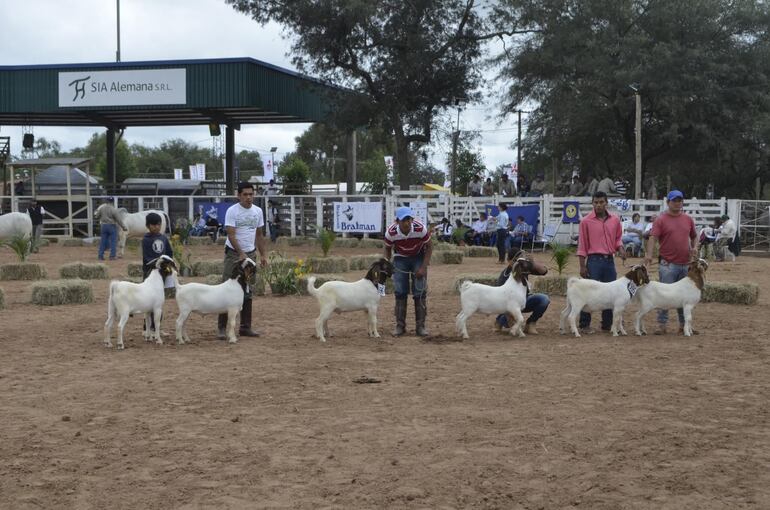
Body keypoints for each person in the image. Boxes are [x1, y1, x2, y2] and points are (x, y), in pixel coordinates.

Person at [217, 182, 268, 339]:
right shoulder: (232, 211)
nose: (248, 197)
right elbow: (231, 234)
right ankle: (222, 328)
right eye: (245, 194)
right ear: (238, 195)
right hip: (234, 254)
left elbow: (259, 235)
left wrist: (263, 255)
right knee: (226, 287)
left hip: (250, 254)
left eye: (251, 194)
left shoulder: (258, 211)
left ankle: (245, 327)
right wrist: (240, 253)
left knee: (248, 289)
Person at [644, 190, 698, 335]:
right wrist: (649, 255)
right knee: (664, 295)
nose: (677, 203)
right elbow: (653, 238)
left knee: (684, 297)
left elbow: (694, 236)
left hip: (685, 264)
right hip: (668, 264)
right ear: (668, 202)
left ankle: (684, 325)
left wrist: (695, 247)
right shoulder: (661, 220)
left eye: (680, 200)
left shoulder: (688, 219)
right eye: (674, 200)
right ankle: (662, 325)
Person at [576, 191, 625, 333]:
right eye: (596, 202)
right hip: (593, 261)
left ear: (606, 203)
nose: (598, 205)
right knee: (589, 293)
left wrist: (621, 248)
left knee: (611, 293)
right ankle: (584, 325)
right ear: (592, 203)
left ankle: (608, 325)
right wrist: (582, 266)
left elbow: (618, 239)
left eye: (601, 202)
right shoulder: (585, 221)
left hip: (610, 261)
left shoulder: (615, 220)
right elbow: (582, 245)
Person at [384, 206, 433, 337]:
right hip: (400, 258)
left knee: (420, 290)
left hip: (418, 257)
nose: (407, 223)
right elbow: (388, 248)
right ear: (397, 221)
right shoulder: (391, 232)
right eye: (403, 220)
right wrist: (387, 263)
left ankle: (420, 326)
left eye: (409, 219)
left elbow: (429, 246)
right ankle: (400, 326)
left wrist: (423, 267)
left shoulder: (420, 228)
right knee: (400, 291)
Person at [494, 247, 550, 335]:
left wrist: (532, 263)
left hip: (524, 301)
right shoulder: (504, 275)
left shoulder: (524, 268)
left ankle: (530, 324)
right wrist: (511, 318)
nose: (518, 263)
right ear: (509, 261)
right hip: (509, 306)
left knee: (544, 299)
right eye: (515, 261)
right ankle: (499, 321)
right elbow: (500, 300)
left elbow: (544, 271)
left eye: (520, 260)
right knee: (508, 322)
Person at [142, 212, 173, 335]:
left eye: (158, 225)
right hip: (150, 273)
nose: (156, 227)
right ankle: (147, 328)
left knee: (159, 301)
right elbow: (148, 259)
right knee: (148, 301)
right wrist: (160, 262)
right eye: (153, 225)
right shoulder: (145, 240)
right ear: (148, 226)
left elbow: (169, 253)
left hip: (162, 274)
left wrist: (168, 265)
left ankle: (157, 328)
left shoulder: (164, 238)